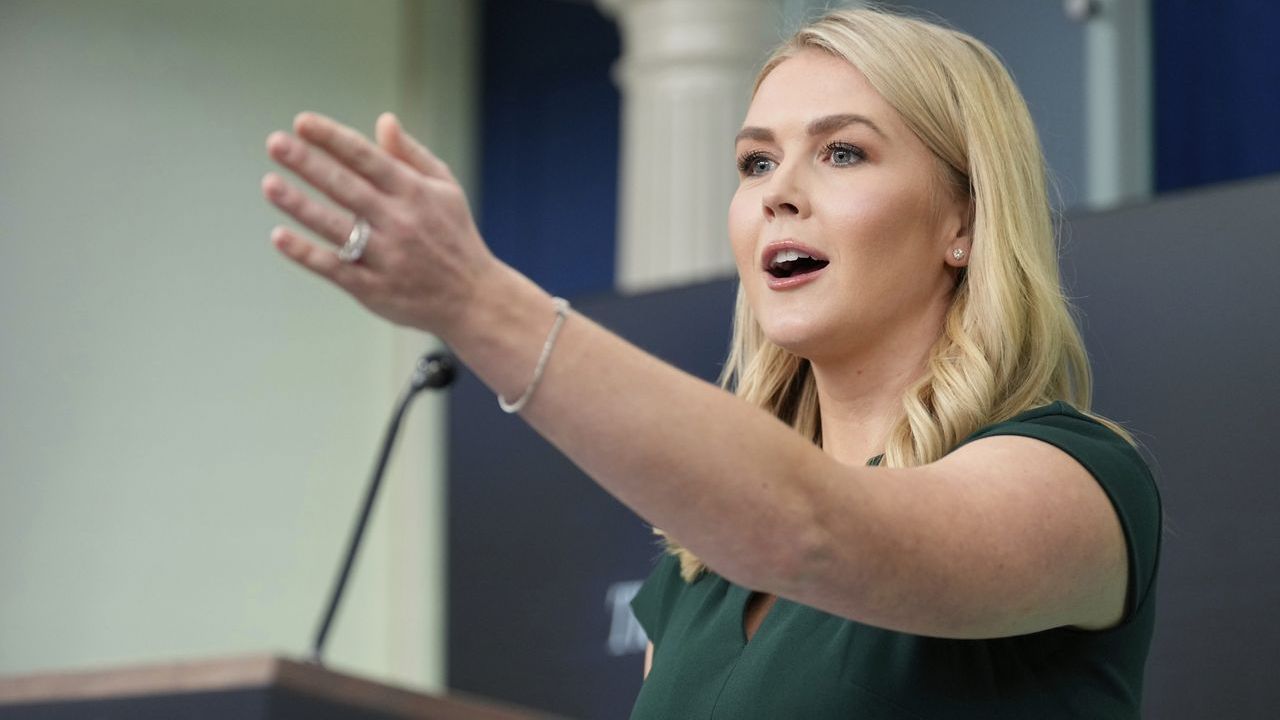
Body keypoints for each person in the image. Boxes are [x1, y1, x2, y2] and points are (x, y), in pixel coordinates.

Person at [261, 6, 1160, 718]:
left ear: (963, 220)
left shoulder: (1076, 480)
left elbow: (811, 532)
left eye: (842, 152)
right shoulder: (697, 575)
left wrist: (477, 301)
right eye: (755, 162)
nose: (779, 194)